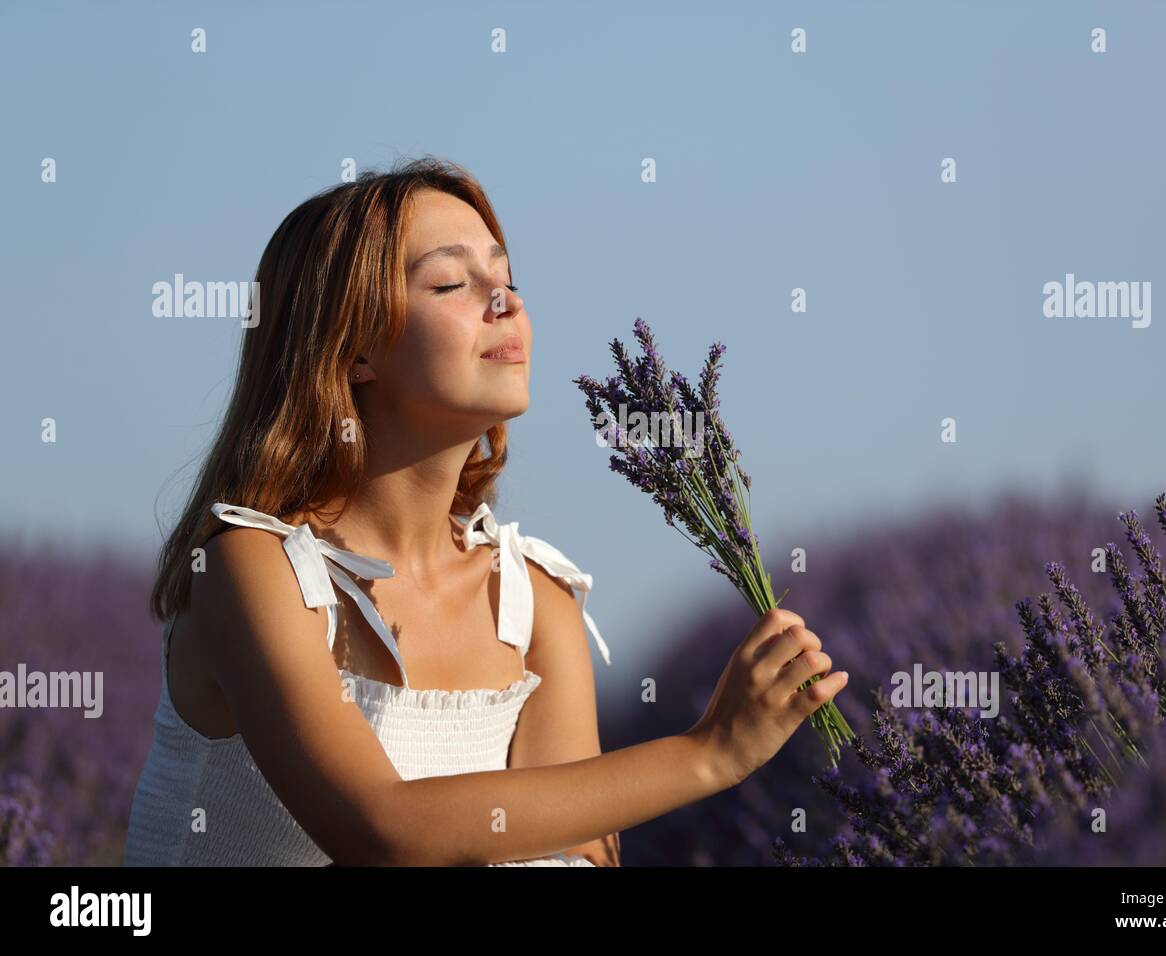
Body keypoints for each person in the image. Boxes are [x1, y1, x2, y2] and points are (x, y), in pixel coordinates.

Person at [123, 157, 848, 866]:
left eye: (507, 278)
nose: (506, 301)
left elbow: (575, 859)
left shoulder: (533, 605)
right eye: (450, 283)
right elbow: (380, 833)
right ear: (353, 351)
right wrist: (705, 755)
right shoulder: (252, 570)